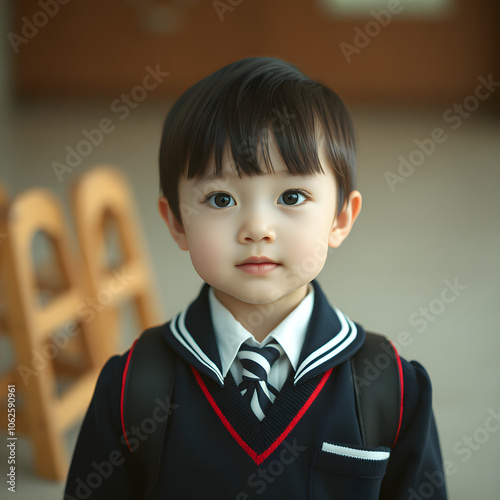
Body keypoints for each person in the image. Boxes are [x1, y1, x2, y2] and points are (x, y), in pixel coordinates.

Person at [64, 57, 447, 499]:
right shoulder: (134, 386)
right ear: (177, 223)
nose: (257, 228)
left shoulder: (389, 387)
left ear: (341, 218)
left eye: (291, 195)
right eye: (221, 197)